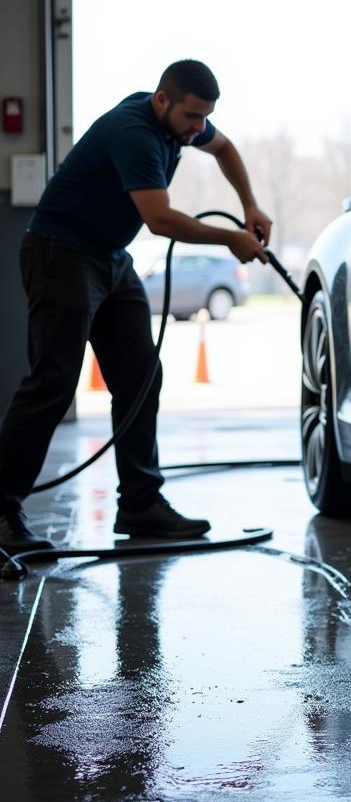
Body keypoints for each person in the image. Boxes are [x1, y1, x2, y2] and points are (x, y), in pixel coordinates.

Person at [0, 59, 272, 552]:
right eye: (191, 116)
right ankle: (1, 509)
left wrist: (250, 203)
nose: (198, 128)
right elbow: (160, 219)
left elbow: (225, 147)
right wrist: (231, 238)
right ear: (163, 100)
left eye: (204, 117)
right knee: (54, 382)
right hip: (60, 252)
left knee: (141, 373)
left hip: (107, 256)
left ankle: (141, 506)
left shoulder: (183, 126)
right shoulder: (134, 132)